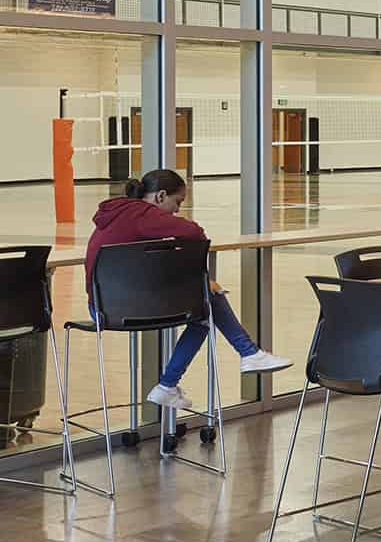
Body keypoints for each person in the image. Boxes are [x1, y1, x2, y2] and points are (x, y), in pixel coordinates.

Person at [85, 169, 290, 413]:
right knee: (206, 300)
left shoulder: (118, 215)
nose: (177, 210)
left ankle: (171, 384)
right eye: (177, 202)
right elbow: (193, 232)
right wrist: (203, 279)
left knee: (203, 309)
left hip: (104, 308)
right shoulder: (142, 214)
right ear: (161, 196)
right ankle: (246, 353)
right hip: (126, 308)